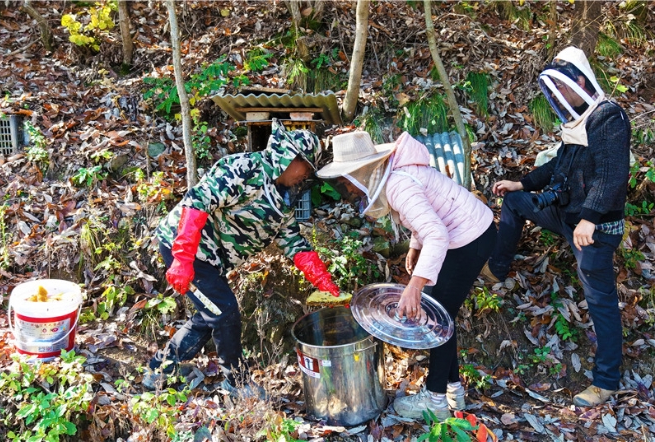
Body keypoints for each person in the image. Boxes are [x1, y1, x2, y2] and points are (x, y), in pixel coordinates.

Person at [143, 120, 340, 395]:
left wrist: (323, 281)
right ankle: (237, 383)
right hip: (186, 247)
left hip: (210, 259)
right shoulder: (244, 169)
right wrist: (183, 258)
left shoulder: (283, 200)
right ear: (288, 156)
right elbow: (198, 201)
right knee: (224, 311)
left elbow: (293, 242)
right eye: (305, 166)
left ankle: (159, 370)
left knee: (209, 314)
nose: (305, 174)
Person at [480, 47, 631, 407]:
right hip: (566, 216)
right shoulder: (577, 124)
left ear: (580, 81)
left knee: (601, 303)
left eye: (563, 88)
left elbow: (612, 177)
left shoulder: (607, 118)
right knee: (515, 203)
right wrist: (522, 184)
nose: (560, 97)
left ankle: (607, 381)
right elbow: (558, 167)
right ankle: (496, 269)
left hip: (596, 230)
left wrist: (590, 218)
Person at [317, 130, 496, 420]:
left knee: (436, 319)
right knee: (441, 316)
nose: (348, 191)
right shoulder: (395, 177)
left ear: (361, 173)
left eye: (346, 183)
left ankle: (435, 401)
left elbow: (436, 234)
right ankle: (452, 391)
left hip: (467, 238)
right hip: (468, 232)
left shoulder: (398, 184)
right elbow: (424, 217)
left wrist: (414, 286)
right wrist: (415, 246)